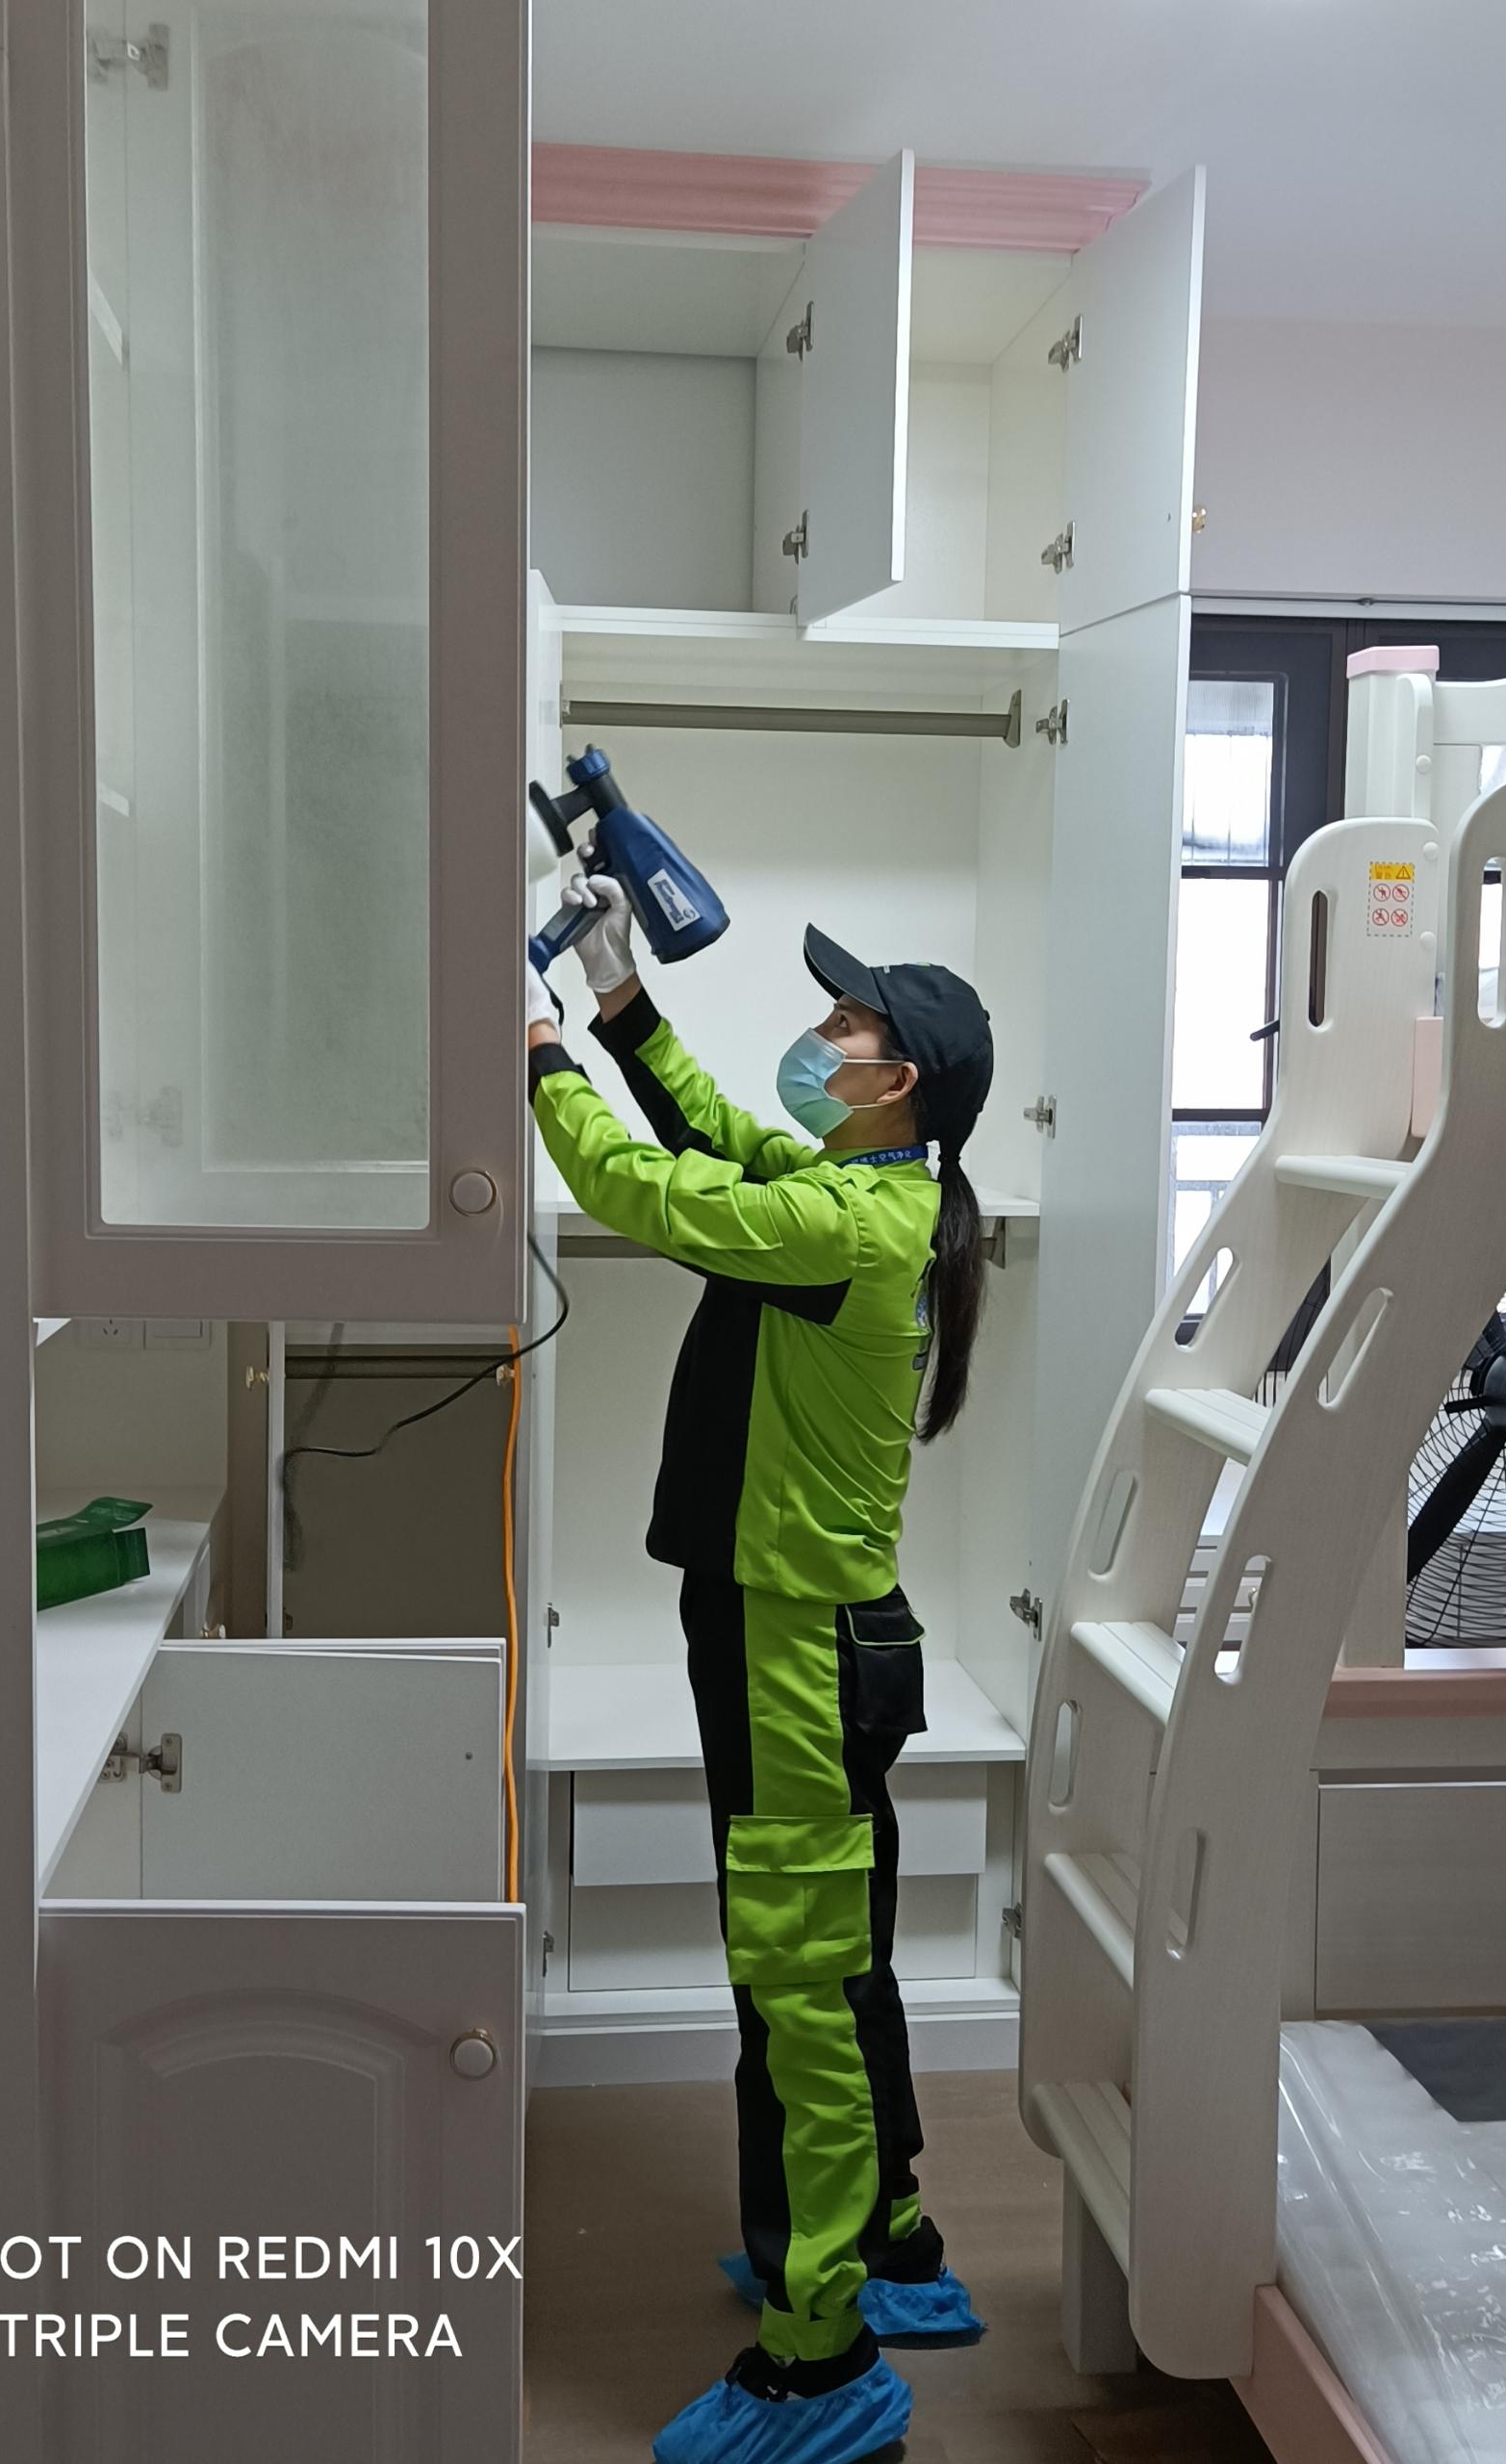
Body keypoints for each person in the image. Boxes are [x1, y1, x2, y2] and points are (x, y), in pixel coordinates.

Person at [525, 870, 995, 2464]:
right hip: (807, 1630)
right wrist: (618, 1001)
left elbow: (650, 1196)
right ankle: (895, 2244)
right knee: (837, 1959)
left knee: (798, 1982)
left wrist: (534, 1059)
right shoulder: (860, 1192)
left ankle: (821, 2359)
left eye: (843, 1021)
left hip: (795, 1642)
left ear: (898, 1078)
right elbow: (715, 1136)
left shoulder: (848, 1229)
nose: (820, 1031)